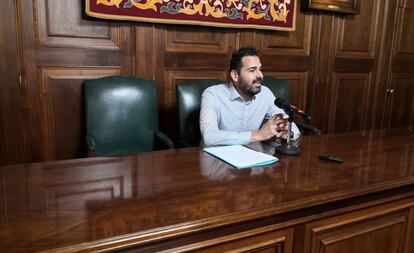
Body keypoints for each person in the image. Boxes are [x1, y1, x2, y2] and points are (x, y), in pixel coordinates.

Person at [199, 47, 299, 146]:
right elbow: (209, 136)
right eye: (252, 70)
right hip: (215, 158)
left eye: (260, 69)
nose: (260, 75)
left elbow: (289, 124)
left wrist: (287, 133)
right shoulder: (212, 94)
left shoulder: (265, 93)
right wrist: (258, 135)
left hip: (251, 155)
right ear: (235, 75)